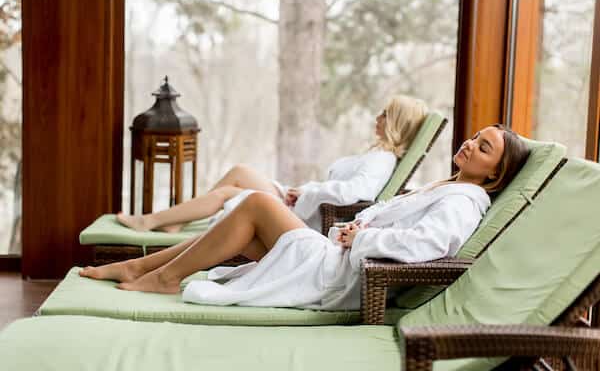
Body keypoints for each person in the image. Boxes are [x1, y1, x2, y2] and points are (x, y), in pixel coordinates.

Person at [80, 124, 529, 311]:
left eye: (483, 148)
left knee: (257, 205)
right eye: (474, 137)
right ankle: (141, 266)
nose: (470, 144)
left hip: (351, 278)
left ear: (496, 173)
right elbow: (386, 221)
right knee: (240, 228)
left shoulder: (466, 202)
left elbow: (429, 246)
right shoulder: (451, 186)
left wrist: (360, 240)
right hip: (339, 257)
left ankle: (156, 275)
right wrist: (354, 229)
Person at [116, 95, 428, 233]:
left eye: (385, 113)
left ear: (396, 123)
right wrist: (304, 191)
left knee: (228, 193)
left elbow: (351, 193)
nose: (378, 116)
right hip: (303, 203)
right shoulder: (378, 154)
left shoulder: (382, 160)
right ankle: (175, 221)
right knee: (239, 172)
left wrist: (305, 193)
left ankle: (153, 221)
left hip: (306, 218)